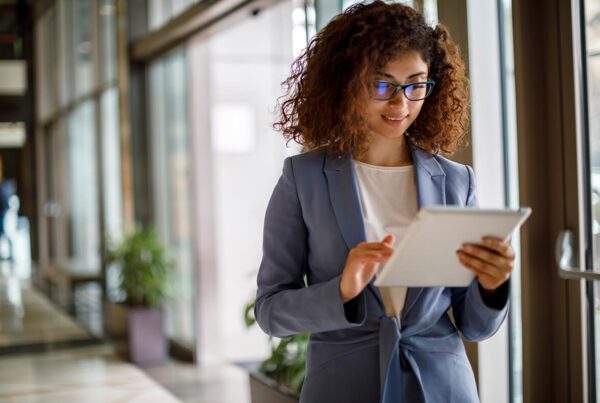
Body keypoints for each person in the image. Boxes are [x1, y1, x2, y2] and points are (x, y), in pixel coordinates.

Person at [254, 2, 515, 402]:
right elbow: (271, 313)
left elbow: (474, 326)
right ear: (346, 83)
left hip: (442, 387)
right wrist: (342, 289)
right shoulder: (303, 179)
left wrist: (492, 287)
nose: (401, 105)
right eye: (382, 85)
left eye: (416, 85)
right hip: (343, 385)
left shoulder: (457, 182)